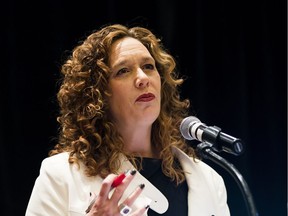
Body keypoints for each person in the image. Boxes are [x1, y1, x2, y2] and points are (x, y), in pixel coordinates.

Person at [25, 23, 230, 216]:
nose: (143, 78)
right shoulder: (60, 175)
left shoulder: (209, 180)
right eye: (123, 71)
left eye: (149, 66)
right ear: (97, 95)